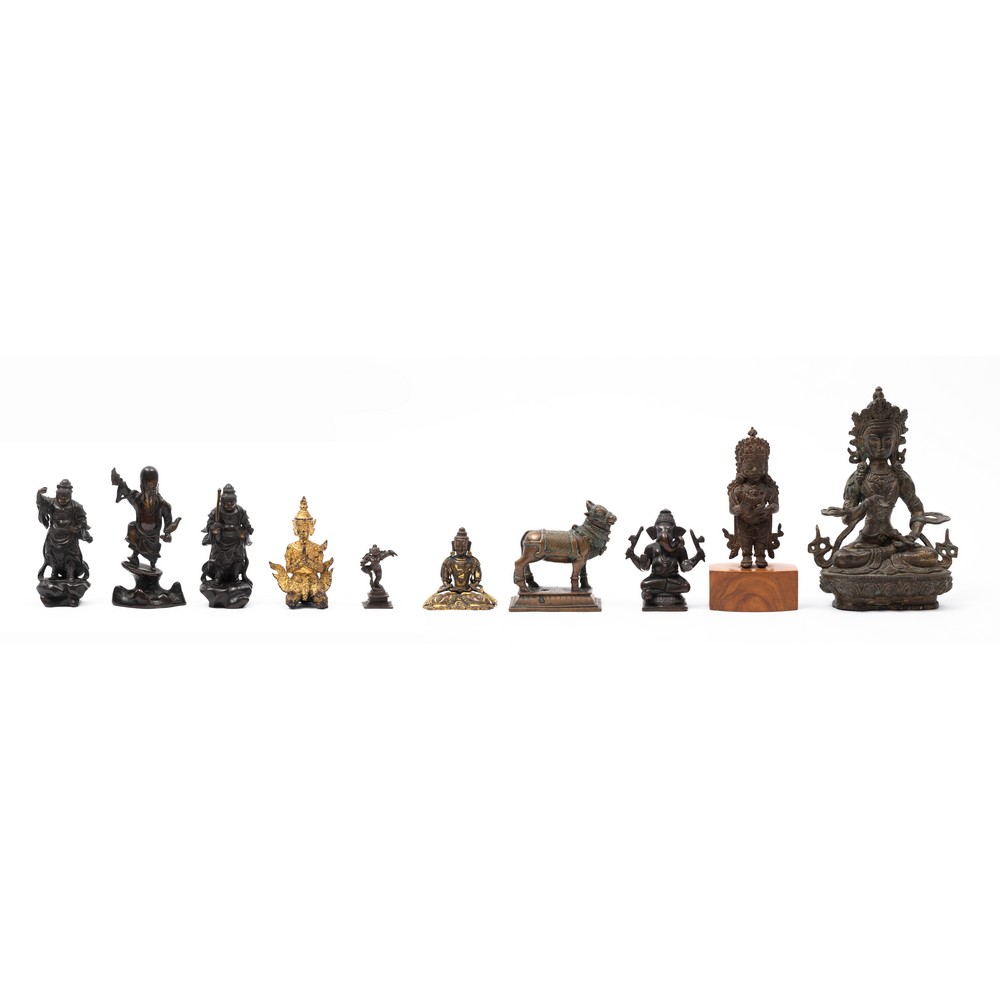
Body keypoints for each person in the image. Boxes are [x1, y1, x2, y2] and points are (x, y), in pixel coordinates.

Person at [423, 527, 496, 610]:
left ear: (468, 545)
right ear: (453, 545)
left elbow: (477, 579)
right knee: (438, 599)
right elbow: (445, 579)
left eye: (463, 545)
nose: (460, 548)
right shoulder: (448, 561)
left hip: (468, 593)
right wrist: (448, 586)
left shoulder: (473, 561)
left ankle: (463, 599)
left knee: (482, 599)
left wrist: (472, 586)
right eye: (458, 545)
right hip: (453, 593)